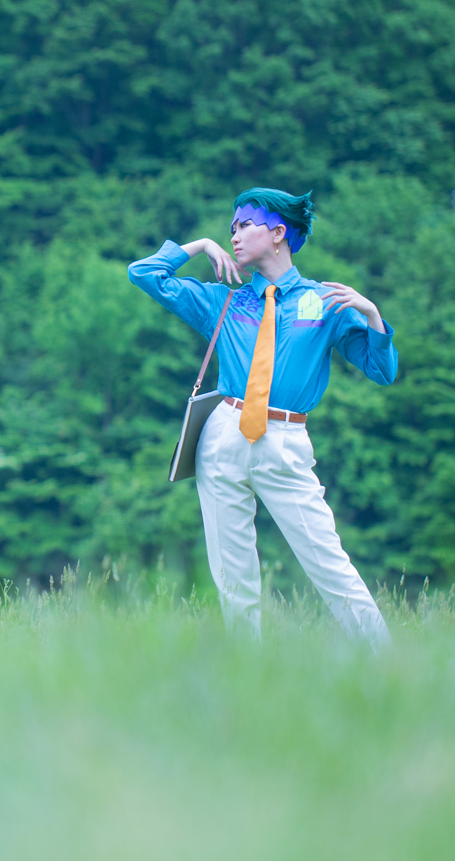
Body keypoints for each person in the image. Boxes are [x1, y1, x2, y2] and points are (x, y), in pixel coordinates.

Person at [128, 188, 396, 643]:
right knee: (234, 581)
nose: (232, 235)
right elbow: (144, 274)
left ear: (277, 233)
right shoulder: (226, 301)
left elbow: (381, 370)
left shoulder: (323, 302)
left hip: (284, 441)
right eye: (230, 229)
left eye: (244, 225)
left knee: (329, 563)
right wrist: (198, 247)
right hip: (223, 437)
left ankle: (384, 659)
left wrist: (372, 315)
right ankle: (246, 681)